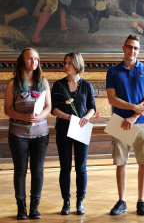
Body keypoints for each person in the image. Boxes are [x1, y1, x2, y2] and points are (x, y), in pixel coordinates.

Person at [106, 34, 144, 216]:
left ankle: (141, 201)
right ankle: (122, 201)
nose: (132, 51)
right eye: (129, 47)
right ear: (123, 48)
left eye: (135, 48)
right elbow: (112, 98)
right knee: (121, 162)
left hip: (142, 121)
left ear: (139, 50)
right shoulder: (113, 71)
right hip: (119, 121)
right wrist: (133, 107)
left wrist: (134, 115)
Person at [4, 47, 51, 220]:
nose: (34, 62)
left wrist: (39, 117)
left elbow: (48, 107)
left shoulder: (43, 82)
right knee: (20, 171)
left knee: (38, 170)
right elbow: (7, 109)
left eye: (36, 59)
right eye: (30, 58)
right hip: (18, 134)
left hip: (41, 134)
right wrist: (23, 116)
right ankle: (21, 208)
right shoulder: (13, 83)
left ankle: (34, 208)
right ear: (22, 61)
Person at [51, 52, 96, 215]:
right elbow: (53, 109)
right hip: (63, 129)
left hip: (81, 129)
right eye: (65, 62)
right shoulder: (58, 85)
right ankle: (66, 202)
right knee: (65, 167)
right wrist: (68, 117)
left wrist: (86, 117)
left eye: (70, 62)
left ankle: (80, 202)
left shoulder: (87, 85)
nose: (66, 65)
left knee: (81, 168)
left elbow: (92, 107)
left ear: (77, 64)